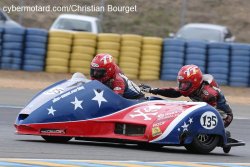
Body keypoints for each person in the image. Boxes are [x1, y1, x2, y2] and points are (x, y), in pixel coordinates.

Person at [140, 64, 233, 128]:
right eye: (181, 83)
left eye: (185, 84)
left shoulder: (208, 94)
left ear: (195, 82)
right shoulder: (194, 87)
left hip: (223, 115)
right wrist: (152, 90)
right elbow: (173, 92)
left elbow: (211, 114)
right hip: (204, 108)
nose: (182, 87)